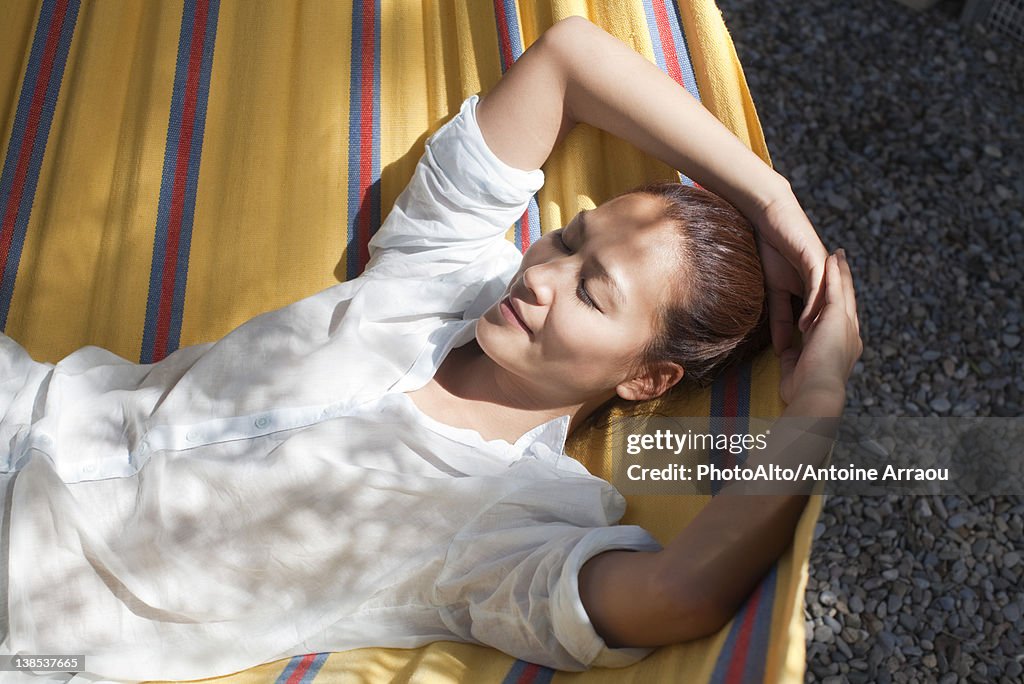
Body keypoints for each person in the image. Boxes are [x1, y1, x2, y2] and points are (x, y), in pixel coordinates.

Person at [0, 15, 861, 682]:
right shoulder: (442, 271)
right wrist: (770, 194)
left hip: (33, 621)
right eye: (564, 239)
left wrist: (818, 398)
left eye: (592, 293)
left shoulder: (513, 522)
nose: (541, 280)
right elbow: (568, 54)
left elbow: (681, 595)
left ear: (646, 376)